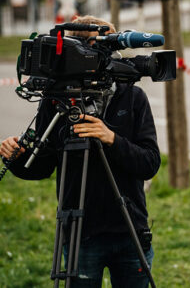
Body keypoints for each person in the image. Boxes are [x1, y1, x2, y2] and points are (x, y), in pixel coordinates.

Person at [0, 16, 160, 288]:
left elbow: (149, 163)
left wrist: (111, 139)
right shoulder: (57, 100)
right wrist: (15, 158)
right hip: (80, 233)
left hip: (129, 230)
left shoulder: (132, 97)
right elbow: (42, 166)